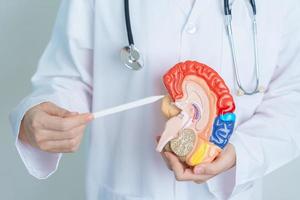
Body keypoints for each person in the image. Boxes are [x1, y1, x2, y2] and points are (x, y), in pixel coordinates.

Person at [10, 0, 300, 199]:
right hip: (127, 188)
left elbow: (291, 97)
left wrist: (239, 153)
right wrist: (42, 114)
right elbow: (67, 77)